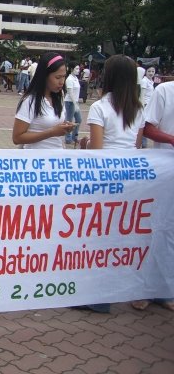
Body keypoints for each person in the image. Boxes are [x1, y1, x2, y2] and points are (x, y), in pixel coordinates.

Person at [78, 55, 145, 314]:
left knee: (100, 237)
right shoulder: (138, 108)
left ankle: (98, 297)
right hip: (132, 177)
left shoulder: (100, 107)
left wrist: (83, 145)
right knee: (122, 237)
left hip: (105, 179)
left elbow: (97, 150)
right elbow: (136, 145)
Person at [131, 74, 174, 312]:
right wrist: (171, 139)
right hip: (167, 169)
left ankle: (167, 291)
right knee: (157, 230)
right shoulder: (165, 91)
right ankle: (146, 290)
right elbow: (147, 128)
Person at [13, 52, 73, 149]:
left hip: (57, 158)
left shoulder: (60, 96)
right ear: (45, 75)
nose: (62, 82)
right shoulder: (29, 100)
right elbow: (17, 138)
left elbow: (54, 123)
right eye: (57, 77)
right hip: (35, 160)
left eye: (64, 76)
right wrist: (51, 132)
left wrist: (65, 127)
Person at [63, 62, 82, 147]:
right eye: (76, 69)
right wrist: (75, 103)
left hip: (75, 102)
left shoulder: (76, 78)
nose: (78, 70)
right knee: (69, 121)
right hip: (70, 102)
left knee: (79, 119)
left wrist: (77, 103)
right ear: (71, 69)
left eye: (79, 69)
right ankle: (68, 138)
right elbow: (70, 93)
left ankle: (74, 137)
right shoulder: (69, 79)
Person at [140, 66, 156, 148]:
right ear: (145, 72)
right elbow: (142, 95)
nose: (151, 73)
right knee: (143, 124)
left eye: (153, 71)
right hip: (145, 105)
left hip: (149, 105)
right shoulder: (144, 81)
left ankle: (144, 144)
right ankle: (143, 144)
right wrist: (142, 107)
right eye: (149, 71)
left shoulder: (151, 81)